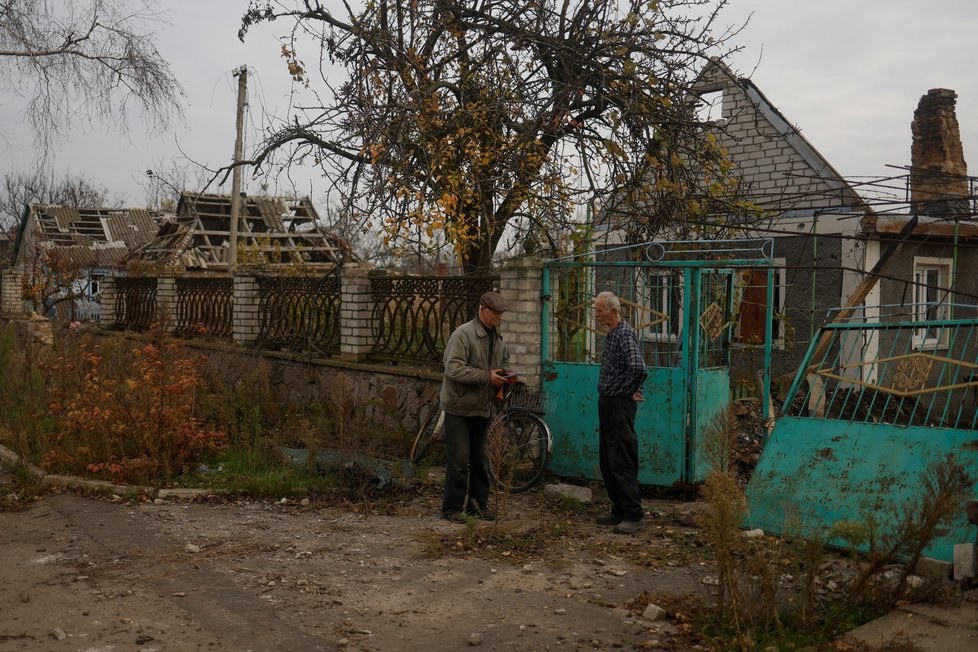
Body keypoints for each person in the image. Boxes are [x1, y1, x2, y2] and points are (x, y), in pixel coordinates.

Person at [439, 290, 513, 522]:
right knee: (459, 461)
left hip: (483, 407)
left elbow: (504, 362)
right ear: (482, 311)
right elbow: (453, 369)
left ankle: (477, 507)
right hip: (459, 407)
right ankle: (451, 509)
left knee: (480, 460)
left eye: (501, 314)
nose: (499, 318)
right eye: (495, 314)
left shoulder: (497, 337)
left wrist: (507, 376)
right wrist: (486, 377)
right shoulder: (462, 335)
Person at [594, 291, 648, 534]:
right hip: (609, 402)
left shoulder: (624, 333)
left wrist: (628, 390)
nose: (596, 315)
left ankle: (634, 514)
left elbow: (638, 367)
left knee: (621, 459)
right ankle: (619, 509)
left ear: (612, 311)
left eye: (599, 311)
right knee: (608, 459)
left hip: (618, 405)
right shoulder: (613, 333)